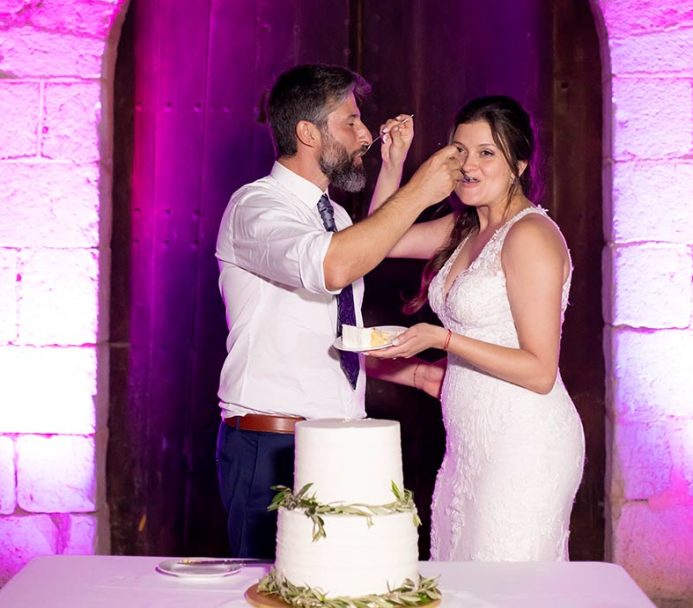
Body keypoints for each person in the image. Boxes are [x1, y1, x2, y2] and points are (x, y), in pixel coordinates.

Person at [215, 63, 463, 558]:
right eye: (350, 122)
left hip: (338, 444)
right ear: (308, 132)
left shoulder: (338, 217)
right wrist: (420, 190)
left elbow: (329, 339)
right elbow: (331, 266)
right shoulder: (256, 208)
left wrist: (415, 375)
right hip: (273, 448)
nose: (366, 134)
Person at [369, 96, 585, 561]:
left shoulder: (530, 235)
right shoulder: (463, 228)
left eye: (487, 152)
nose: (468, 164)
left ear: (519, 163)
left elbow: (540, 370)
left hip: (525, 442)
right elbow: (378, 241)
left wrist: (442, 339)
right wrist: (393, 163)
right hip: (469, 446)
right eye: (459, 150)